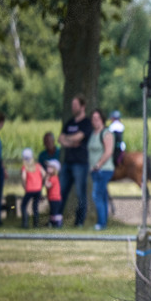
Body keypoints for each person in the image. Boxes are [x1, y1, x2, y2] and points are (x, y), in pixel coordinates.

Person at [58, 95, 92, 226]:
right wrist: (71, 142)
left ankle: (79, 221)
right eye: (72, 105)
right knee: (61, 192)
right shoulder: (70, 122)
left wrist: (68, 139)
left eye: (76, 105)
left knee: (80, 193)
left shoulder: (86, 123)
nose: (73, 107)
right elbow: (60, 139)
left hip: (80, 163)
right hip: (67, 163)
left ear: (82, 107)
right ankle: (56, 219)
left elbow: (79, 137)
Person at [88, 109, 115, 230]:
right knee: (102, 195)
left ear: (102, 119)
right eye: (93, 119)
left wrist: (98, 164)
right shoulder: (93, 133)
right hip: (94, 170)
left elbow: (108, 151)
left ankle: (101, 223)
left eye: (97, 118)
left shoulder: (106, 133)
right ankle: (103, 221)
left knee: (97, 195)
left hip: (103, 169)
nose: (95, 121)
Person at [19, 148, 44, 228]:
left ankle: (25, 223)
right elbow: (44, 174)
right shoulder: (38, 166)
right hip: (38, 189)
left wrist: (24, 185)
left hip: (29, 189)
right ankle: (36, 224)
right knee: (35, 206)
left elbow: (23, 177)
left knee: (23, 205)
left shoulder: (25, 167)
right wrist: (41, 183)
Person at [46, 159, 63, 228]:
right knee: (53, 211)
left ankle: (57, 224)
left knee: (54, 212)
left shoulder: (53, 178)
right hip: (52, 198)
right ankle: (52, 223)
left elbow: (48, 185)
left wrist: (46, 179)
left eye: (50, 167)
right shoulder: (53, 177)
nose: (48, 168)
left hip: (55, 198)